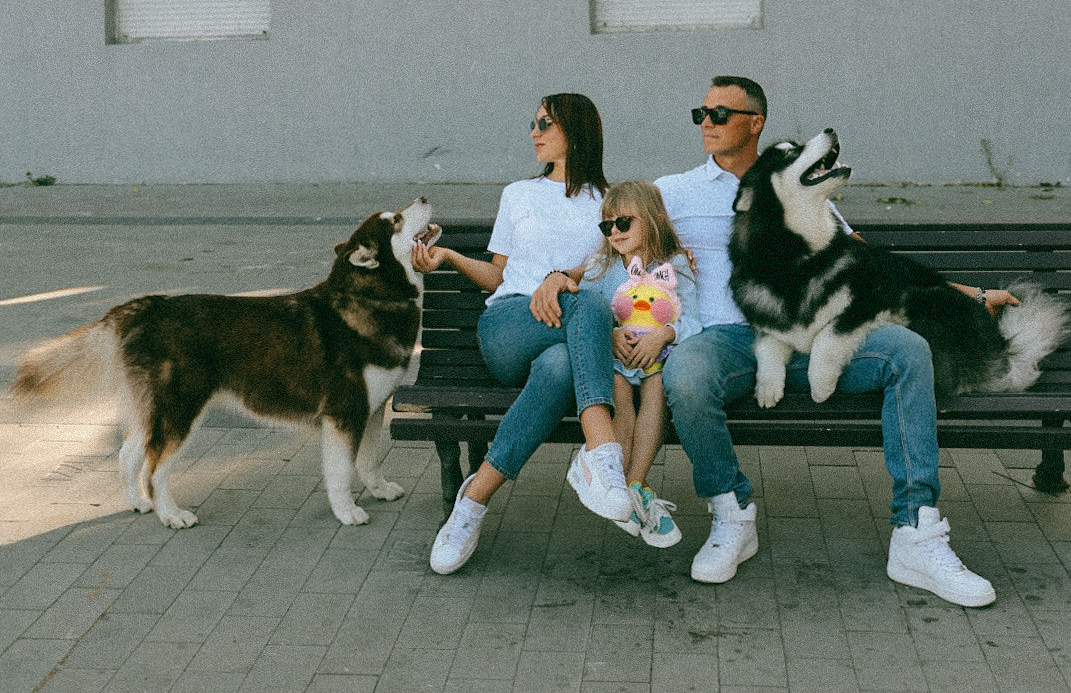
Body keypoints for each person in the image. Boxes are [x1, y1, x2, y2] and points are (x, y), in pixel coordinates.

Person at [657, 75, 1016, 608]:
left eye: (720, 114)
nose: (706, 124)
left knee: (908, 351)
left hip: (821, 332)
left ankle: (916, 532)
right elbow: (611, 241)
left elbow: (868, 258)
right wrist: (558, 278)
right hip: (728, 339)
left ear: (755, 123)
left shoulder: (801, 184)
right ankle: (732, 515)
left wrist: (968, 294)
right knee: (684, 375)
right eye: (700, 114)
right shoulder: (674, 191)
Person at [415, 93, 633, 575]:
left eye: (545, 124)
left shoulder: (612, 203)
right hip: (509, 326)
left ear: (576, 133)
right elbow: (500, 276)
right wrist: (449, 256)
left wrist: (562, 281)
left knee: (558, 367)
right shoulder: (518, 194)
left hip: (572, 333)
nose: (533, 132)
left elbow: (614, 274)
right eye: (532, 123)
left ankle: (471, 503)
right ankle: (602, 453)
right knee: (584, 308)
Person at [583, 181, 701, 547]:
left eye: (623, 223)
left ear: (651, 220)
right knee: (619, 397)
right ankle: (619, 487)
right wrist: (612, 335)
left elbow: (693, 321)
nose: (614, 232)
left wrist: (664, 334)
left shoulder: (676, 265)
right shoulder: (601, 266)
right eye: (607, 226)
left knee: (656, 393)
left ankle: (635, 483)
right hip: (618, 357)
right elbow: (589, 316)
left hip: (656, 357)